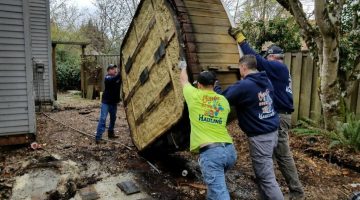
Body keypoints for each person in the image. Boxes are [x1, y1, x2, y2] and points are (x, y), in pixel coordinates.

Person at [228, 27, 304, 200]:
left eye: (267, 57)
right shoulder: (278, 70)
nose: (266, 60)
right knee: (270, 157)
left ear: (273, 57)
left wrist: (241, 40)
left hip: (281, 116)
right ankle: (269, 190)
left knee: (282, 155)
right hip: (278, 115)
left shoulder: (278, 67)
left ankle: (296, 192)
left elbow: (258, 62)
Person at [215, 55, 284, 200]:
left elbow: (221, 99)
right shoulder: (266, 80)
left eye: (239, 67)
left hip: (261, 137)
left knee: (266, 178)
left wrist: (216, 87)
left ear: (243, 67)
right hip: (272, 131)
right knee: (264, 174)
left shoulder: (244, 86)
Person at [179, 60, 237, 200]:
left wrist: (183, 66)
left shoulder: (194, 96)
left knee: (220, 193)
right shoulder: (223, 101)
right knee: (214, 188)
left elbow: (183, 80)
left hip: (212, 154)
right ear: (214, 84)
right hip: (229, 152)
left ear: (199, 84)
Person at [95, 64, 121, 144]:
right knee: (103, 119)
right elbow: (113, 80)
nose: (114, 70)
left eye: (115, 69)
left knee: (113, 118)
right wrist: (121, 72)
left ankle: (110, 133)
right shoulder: (107, 78)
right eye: (113, 69)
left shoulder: (117, 78)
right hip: (106, 102)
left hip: (113, 103)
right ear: (109, 70)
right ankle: (98, 138)